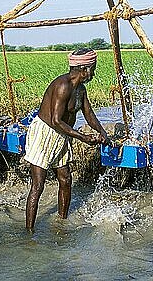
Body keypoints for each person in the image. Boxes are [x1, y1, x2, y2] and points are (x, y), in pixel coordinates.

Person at [24, 48, 110, 231]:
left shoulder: (81, 89)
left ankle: (62, 222)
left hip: (63, 134)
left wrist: (103, 132)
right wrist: (83, 137)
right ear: (84, 68)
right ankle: (29, 232)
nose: (93, 73)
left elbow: (89, 114)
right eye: (93, 68)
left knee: (65, 179)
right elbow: (56, 120)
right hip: (44, 134)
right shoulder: (63, 86)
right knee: (38, 185)